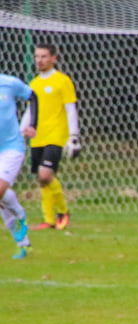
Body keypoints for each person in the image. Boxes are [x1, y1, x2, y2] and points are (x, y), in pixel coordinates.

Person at [20, 43, 81, 230]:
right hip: (38, 136)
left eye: (44, 56)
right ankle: (49, 220)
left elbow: (71, 109)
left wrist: (73, 136)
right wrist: (20, 132)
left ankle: (63, 211)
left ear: (54, 58)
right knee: (42, 178)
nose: (39, 60)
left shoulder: (62, 81)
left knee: (45, 175)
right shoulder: (34, 83)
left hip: (56, 135)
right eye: (37, 56)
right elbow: (31, 111)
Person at [0, 73, 38, 259]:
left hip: (11, 148)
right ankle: (22, 242)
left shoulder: (9, 83)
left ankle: (20, 216)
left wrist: (33, 124)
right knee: (2, 200)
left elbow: (33, 96)